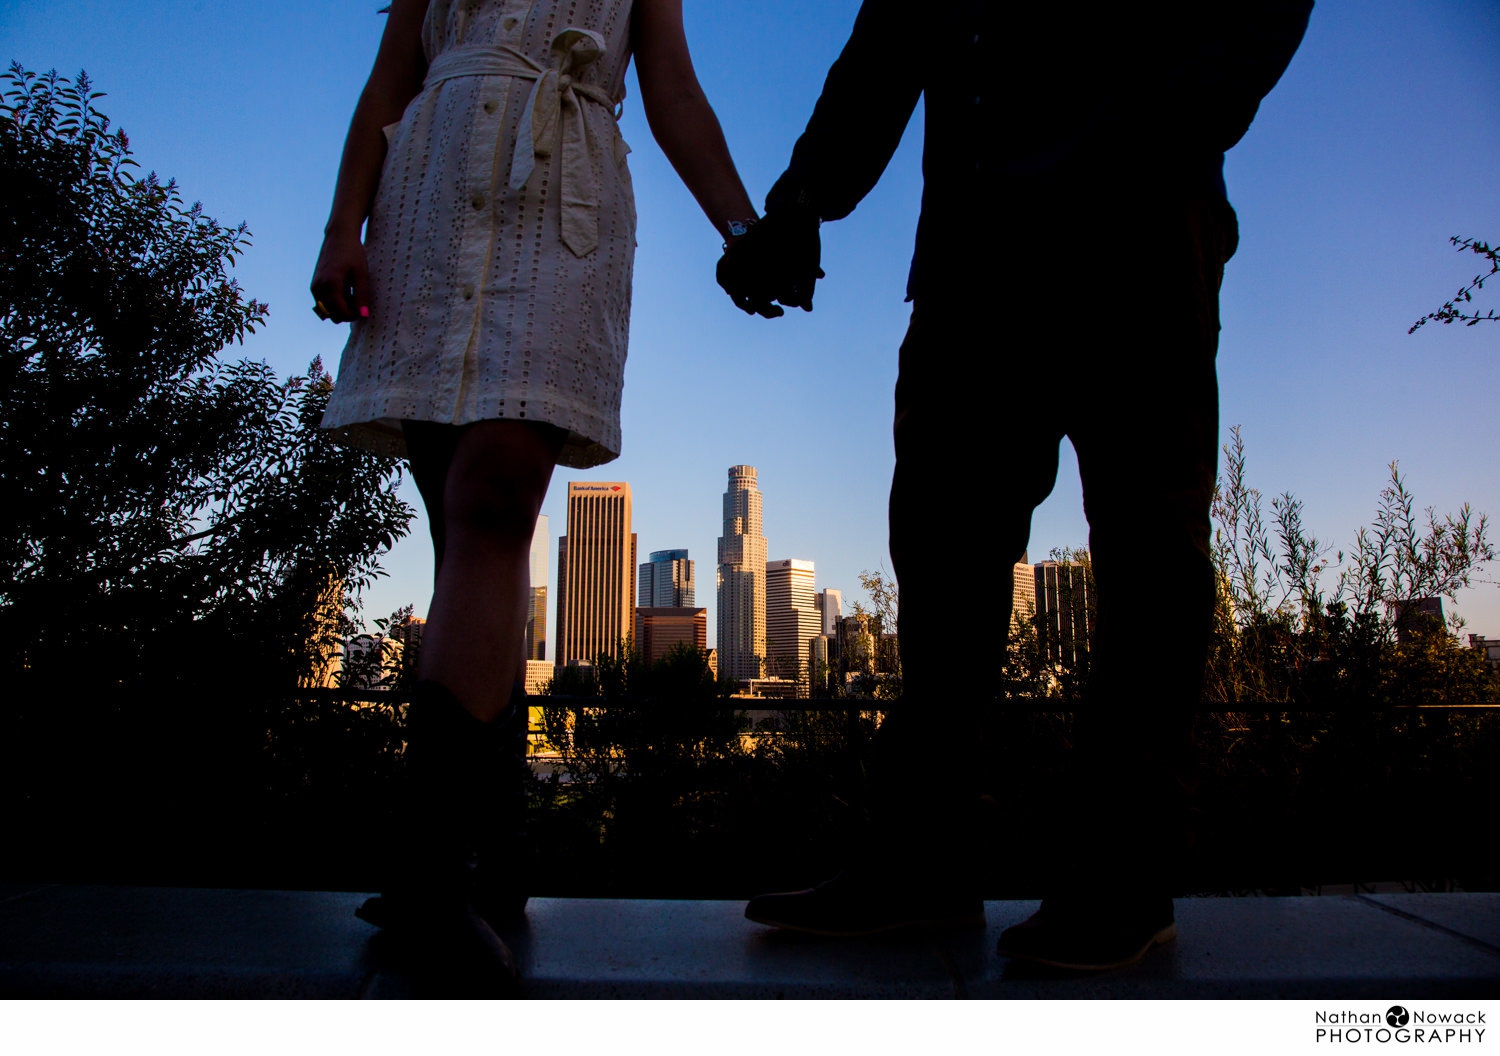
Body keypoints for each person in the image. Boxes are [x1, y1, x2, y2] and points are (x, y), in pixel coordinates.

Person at [718, 0, 1314, 970]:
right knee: (943, 558)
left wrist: (1165, 122)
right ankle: (921, 861)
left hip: (1142, 226)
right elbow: (887, 45)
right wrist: (799, 203)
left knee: (1147, 552)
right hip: (973, 252)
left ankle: (1122, 876)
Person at [310, 0, 765, 992]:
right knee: (466, 537)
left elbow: (673, 88)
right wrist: (343, 227)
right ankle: (493, 851)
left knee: (494, 500)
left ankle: (432, 874)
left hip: (567, 200)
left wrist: (741, 224)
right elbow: (390, 78)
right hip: (430, 196)